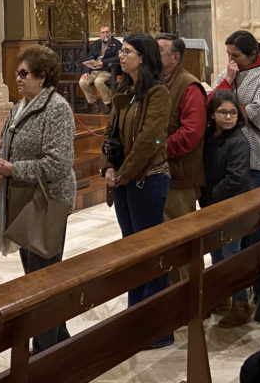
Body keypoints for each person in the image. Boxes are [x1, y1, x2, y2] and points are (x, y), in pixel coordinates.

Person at [0, 45, 76, 354]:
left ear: (43, 77)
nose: (18, 78)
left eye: (24, 73)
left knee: (43, 279)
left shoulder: (57, 109)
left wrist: (14, 169)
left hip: (47, 201)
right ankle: (57, 340)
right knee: (34, 274)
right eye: (17, 73)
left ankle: (45, 351)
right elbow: (4, 143)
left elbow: (58, 164)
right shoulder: (20, 106)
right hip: (24, 198)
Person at [101, 33, 174, 348]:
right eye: (121, 51)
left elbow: (150, 140)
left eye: (127, 51)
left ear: (143, 57)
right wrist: (107, 166)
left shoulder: (157, 93)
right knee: (131, 249)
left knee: (150, 251)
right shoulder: (124, 88)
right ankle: (136, 317)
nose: (121, 56)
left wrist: (124, 173)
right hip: (124, 179)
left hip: (147, 179)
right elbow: (111, 132)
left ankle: (157, 327)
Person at [213, 29, 260, 246]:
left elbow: (258, 113)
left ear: (252, 54)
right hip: (231, 162)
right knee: (233, 232)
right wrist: (228, 81)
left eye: (236, 56)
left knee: (257, 230)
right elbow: (212, 106)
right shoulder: (227, 75)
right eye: (228, 54)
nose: (230, 60)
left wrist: (230, 109)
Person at [200, 90, 252, 326]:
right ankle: (221, 297)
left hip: (232, 206)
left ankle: (241, 305)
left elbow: (236, 179)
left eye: (232, 112)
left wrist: (211, 196)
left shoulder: (239, 140)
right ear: (212, 114)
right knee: (216, 254)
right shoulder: (209, 135)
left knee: (232, 255)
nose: (229, 117)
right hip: (212, 206)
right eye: (223, 112)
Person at [156, 33, 206, 232]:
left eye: (159, 51)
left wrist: (157, 150)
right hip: (160, 171)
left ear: (175, 57)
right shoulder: (156, 81)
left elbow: (190, 133)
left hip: (179, 175)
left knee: (180, 236)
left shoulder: (189, 86)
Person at [78, 25, 120, 113]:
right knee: (82, 82)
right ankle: (94, 102)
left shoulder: (116, 43)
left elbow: (118, 57)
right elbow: (89, 57)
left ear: (111, 33)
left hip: (107, 70)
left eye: (107, 32)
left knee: (98, 82)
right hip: (94, 70)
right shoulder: (96, 43)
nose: (105, 34)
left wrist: (104, 63)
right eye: (103, 32)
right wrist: (87, 71)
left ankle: (108, 103)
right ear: (100, 34)